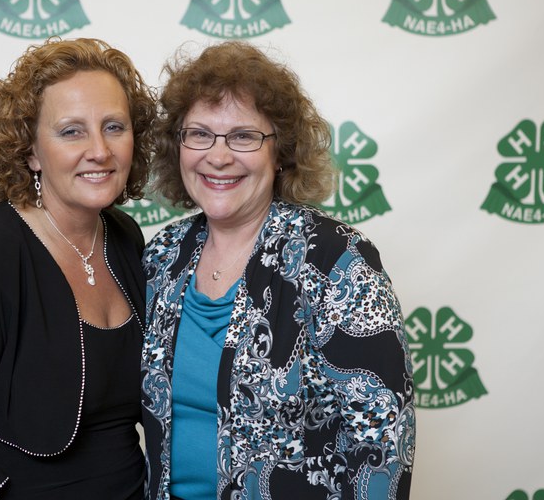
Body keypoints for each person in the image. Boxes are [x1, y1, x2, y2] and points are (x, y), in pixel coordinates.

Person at [140, 41, 415, 499]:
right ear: (178, 147)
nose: (218, 156)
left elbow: (383, 443)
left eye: (243, 136)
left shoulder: (336, 260)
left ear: (281, 151)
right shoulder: (161, 258)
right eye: (200, 134)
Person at [0, 37, 156, 499]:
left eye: (113, 127)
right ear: (30, 152)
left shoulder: (126, 237)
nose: (100, 150)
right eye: (71, 131)